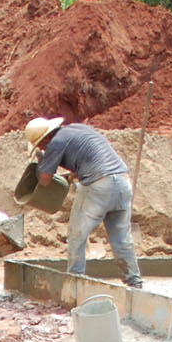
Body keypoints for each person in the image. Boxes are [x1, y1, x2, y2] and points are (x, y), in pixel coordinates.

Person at [25, 117, 143, 288]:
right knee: (121, 238)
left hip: (99, 185)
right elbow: (88, 159)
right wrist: (72, 175)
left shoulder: (55, 143)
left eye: (40, 145)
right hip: (123, 183)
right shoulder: (76, 129)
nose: (42, 148)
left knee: (76, 235)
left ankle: (75, 282)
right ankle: (134, 282)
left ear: (45, 138)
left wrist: (42, 161)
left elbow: (44, 180)